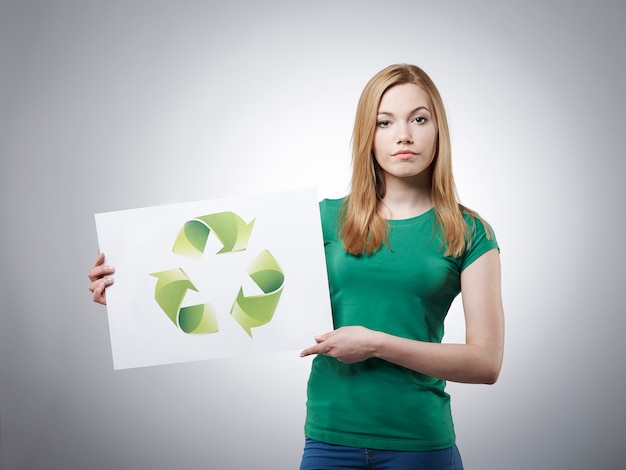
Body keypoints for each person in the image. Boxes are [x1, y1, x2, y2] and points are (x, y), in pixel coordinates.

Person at [88, 63, 504, 470]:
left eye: (419, 119)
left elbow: (485, 363)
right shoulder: (321, 219)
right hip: (330, 440)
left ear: (438, 131)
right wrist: (130, 292)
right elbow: (219, 272)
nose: (404, 136)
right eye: (385, 122)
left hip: (420, 445)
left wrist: (376, 344)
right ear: (367, 136)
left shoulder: (468, 232)